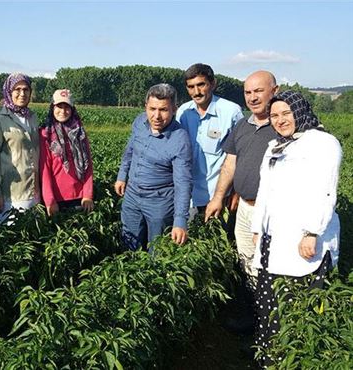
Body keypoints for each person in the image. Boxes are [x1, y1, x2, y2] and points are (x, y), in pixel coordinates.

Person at [250, 90, 341, 367]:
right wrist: (257, 227)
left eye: (286, 113)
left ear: (300, 112)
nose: (280, 120)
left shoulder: (323, 143)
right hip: (272, 239)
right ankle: (268, 357)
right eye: (274, 115)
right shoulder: (276, 146)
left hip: (304, 239)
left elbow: (326, 191)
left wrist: (312, 232)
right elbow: (264, 190)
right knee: (270, 302)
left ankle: (295, 359)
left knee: (298, 304)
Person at [204, 71, 279, 291]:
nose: (252, 97)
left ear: (275, 91)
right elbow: (230, 163)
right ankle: (254, 313)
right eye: (248, 92)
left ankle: (273, 318)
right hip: (246, 209)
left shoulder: (284, 125)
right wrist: (219, 197)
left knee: (273, 264)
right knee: (247, 261)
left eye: (258, 91)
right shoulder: (243, 126)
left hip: (273, 212)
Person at [114, 83, 192, 251]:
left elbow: (183, 183)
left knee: (157, 250)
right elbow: (129, 151)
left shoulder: (180, 139)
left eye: (163, 110)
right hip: (132, 195)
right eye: (152, 109)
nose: (156, 116)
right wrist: (122, 175)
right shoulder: (140, 122)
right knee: (129, 243)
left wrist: (180, 221)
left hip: (160, 202)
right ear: (146, 107)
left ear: (174, 109)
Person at [175, 63, 243, 217]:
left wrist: (236, 191)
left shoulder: (231, 112)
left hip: (219, 196)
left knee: (218, 239)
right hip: (189, 196)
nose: (196, 92)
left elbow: (241, 154)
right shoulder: (183, 112)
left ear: (213, 84)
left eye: (201, 85)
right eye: (191, 87)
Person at [0, 73, 41, 224]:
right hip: (10, 195)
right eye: (17, 89)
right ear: (9, 92)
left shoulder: (33, 117)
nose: (22, 94)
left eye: (26, 89)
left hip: (32, 192)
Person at [39, 89, 93, 216]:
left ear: (72, 109)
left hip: (79, 199)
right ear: (52, 107)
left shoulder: (80, 133)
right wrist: (49, 200)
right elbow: (44, 169)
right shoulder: (45, 134)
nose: (63, 111)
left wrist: (88, 195)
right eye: (59, 106)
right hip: (56, 201)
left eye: (67, 107)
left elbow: (88, 165)